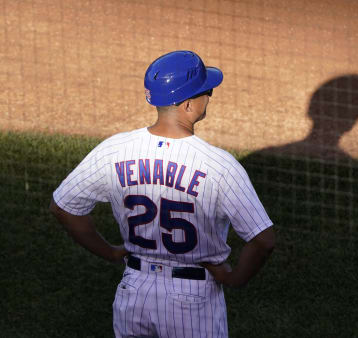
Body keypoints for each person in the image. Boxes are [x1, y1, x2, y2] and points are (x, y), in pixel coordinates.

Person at [49, 50, 275, 338]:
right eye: (208, 91)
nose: (211, 96)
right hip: (192, 300)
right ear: (189, 105)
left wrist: (109, 251)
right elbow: (264, 240)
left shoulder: (114, 150)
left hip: (134, 291)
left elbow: (63, 206)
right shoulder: (218, 165)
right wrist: (234, 279)